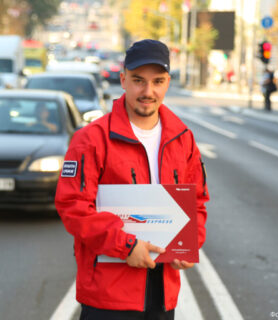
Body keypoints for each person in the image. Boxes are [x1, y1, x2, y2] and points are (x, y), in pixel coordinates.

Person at [55, 39, 209, 320]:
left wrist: (190, 244)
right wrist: (126, 245)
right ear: (123, 80)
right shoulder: (91, 139)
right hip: (108, 298)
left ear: (167, 83)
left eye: (157, 81)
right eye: (138, 80)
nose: (148, 91)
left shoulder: (182, 138)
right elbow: (74, 208)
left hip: (162, 297)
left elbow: (197, 201)